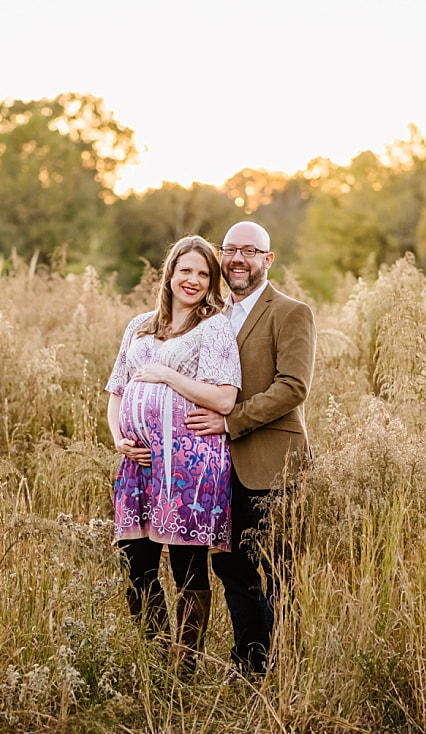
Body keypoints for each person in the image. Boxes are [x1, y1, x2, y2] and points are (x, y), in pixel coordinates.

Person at [186, 221, 316, 678]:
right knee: (230, 568)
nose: (238, 259)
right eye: (230, 250)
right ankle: (252, 663)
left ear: (268, 258)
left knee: (281, 573)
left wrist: (230, 420)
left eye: (250, 251)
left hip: (273, 466)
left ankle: (292, 668)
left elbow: (293, 387)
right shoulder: (208, 318)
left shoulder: (290, 312)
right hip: (217, 469)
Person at [105, 235, 242, 669]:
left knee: (187, 566)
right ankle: (156, 654)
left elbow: (223, 399)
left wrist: (166, 374)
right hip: (138, 463)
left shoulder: (214, 326)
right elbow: (116, 391)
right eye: (186, 270)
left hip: (190, 464)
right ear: (170, 273)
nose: (194, 280)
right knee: (136, 563)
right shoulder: (139, 326)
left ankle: (184, 667)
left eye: (204, 274)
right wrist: (118, 438)